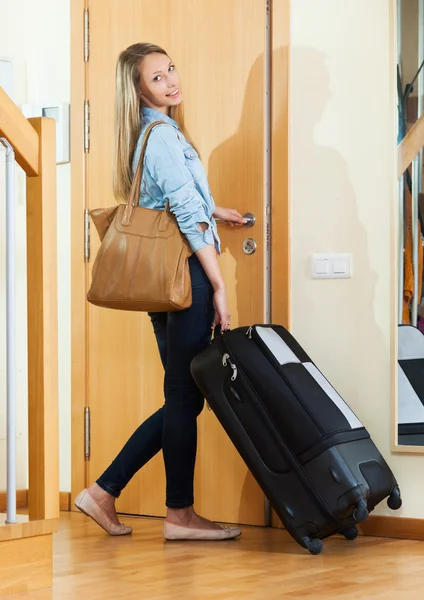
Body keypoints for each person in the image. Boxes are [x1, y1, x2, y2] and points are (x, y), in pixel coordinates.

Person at [75, 43, 247, 541]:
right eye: (156, 77)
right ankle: (177, 514)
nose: (171, 80)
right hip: (185, 277)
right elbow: (185, 214)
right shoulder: (163, 136)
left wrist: (218, 211)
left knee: (182, 397)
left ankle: (106, 493)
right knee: (184, 395)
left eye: (170, 67)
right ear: (138, 91)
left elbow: (175, 201)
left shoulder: (148, 136)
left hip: (159, 286)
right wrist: (217, 284)